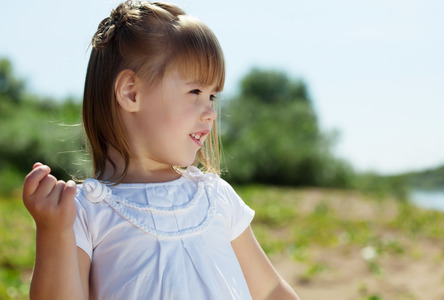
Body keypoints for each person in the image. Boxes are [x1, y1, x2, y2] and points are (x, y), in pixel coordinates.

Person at [22, 1, 300, 299]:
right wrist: (54, 233)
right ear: (131, 92)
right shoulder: (86, 211)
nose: (210, 112)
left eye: (212, 97)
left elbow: (270, 289)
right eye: (195, 91)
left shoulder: (215, 198)